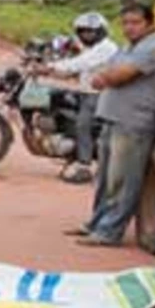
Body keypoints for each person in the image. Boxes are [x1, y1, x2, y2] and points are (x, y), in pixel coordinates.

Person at [72, 4, 155, 247]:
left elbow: (119, 74)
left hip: (134, 121)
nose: (129, 28)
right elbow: (109, 69)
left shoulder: (154, 46)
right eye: (125, 23)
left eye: (135, 22)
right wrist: (105, 75)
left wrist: (104, 77)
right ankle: (96, 223)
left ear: (150, 23)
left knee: (122, 181)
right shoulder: (129, 46)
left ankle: (110, 232)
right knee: (104, 179)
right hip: (113, 117)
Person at [29, 12, 119, 181]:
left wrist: (49, 68)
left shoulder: (106, 48)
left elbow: (80, 63)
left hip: (100, 95)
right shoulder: (91, 48)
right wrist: (51, 68)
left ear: (101, 31)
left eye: (91, 32)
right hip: (86, 91)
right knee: (61, 105)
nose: (86, 35)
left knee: (82, 125)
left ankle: (84, 166)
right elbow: (75, 65)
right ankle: (70, 151)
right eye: (83, 32)